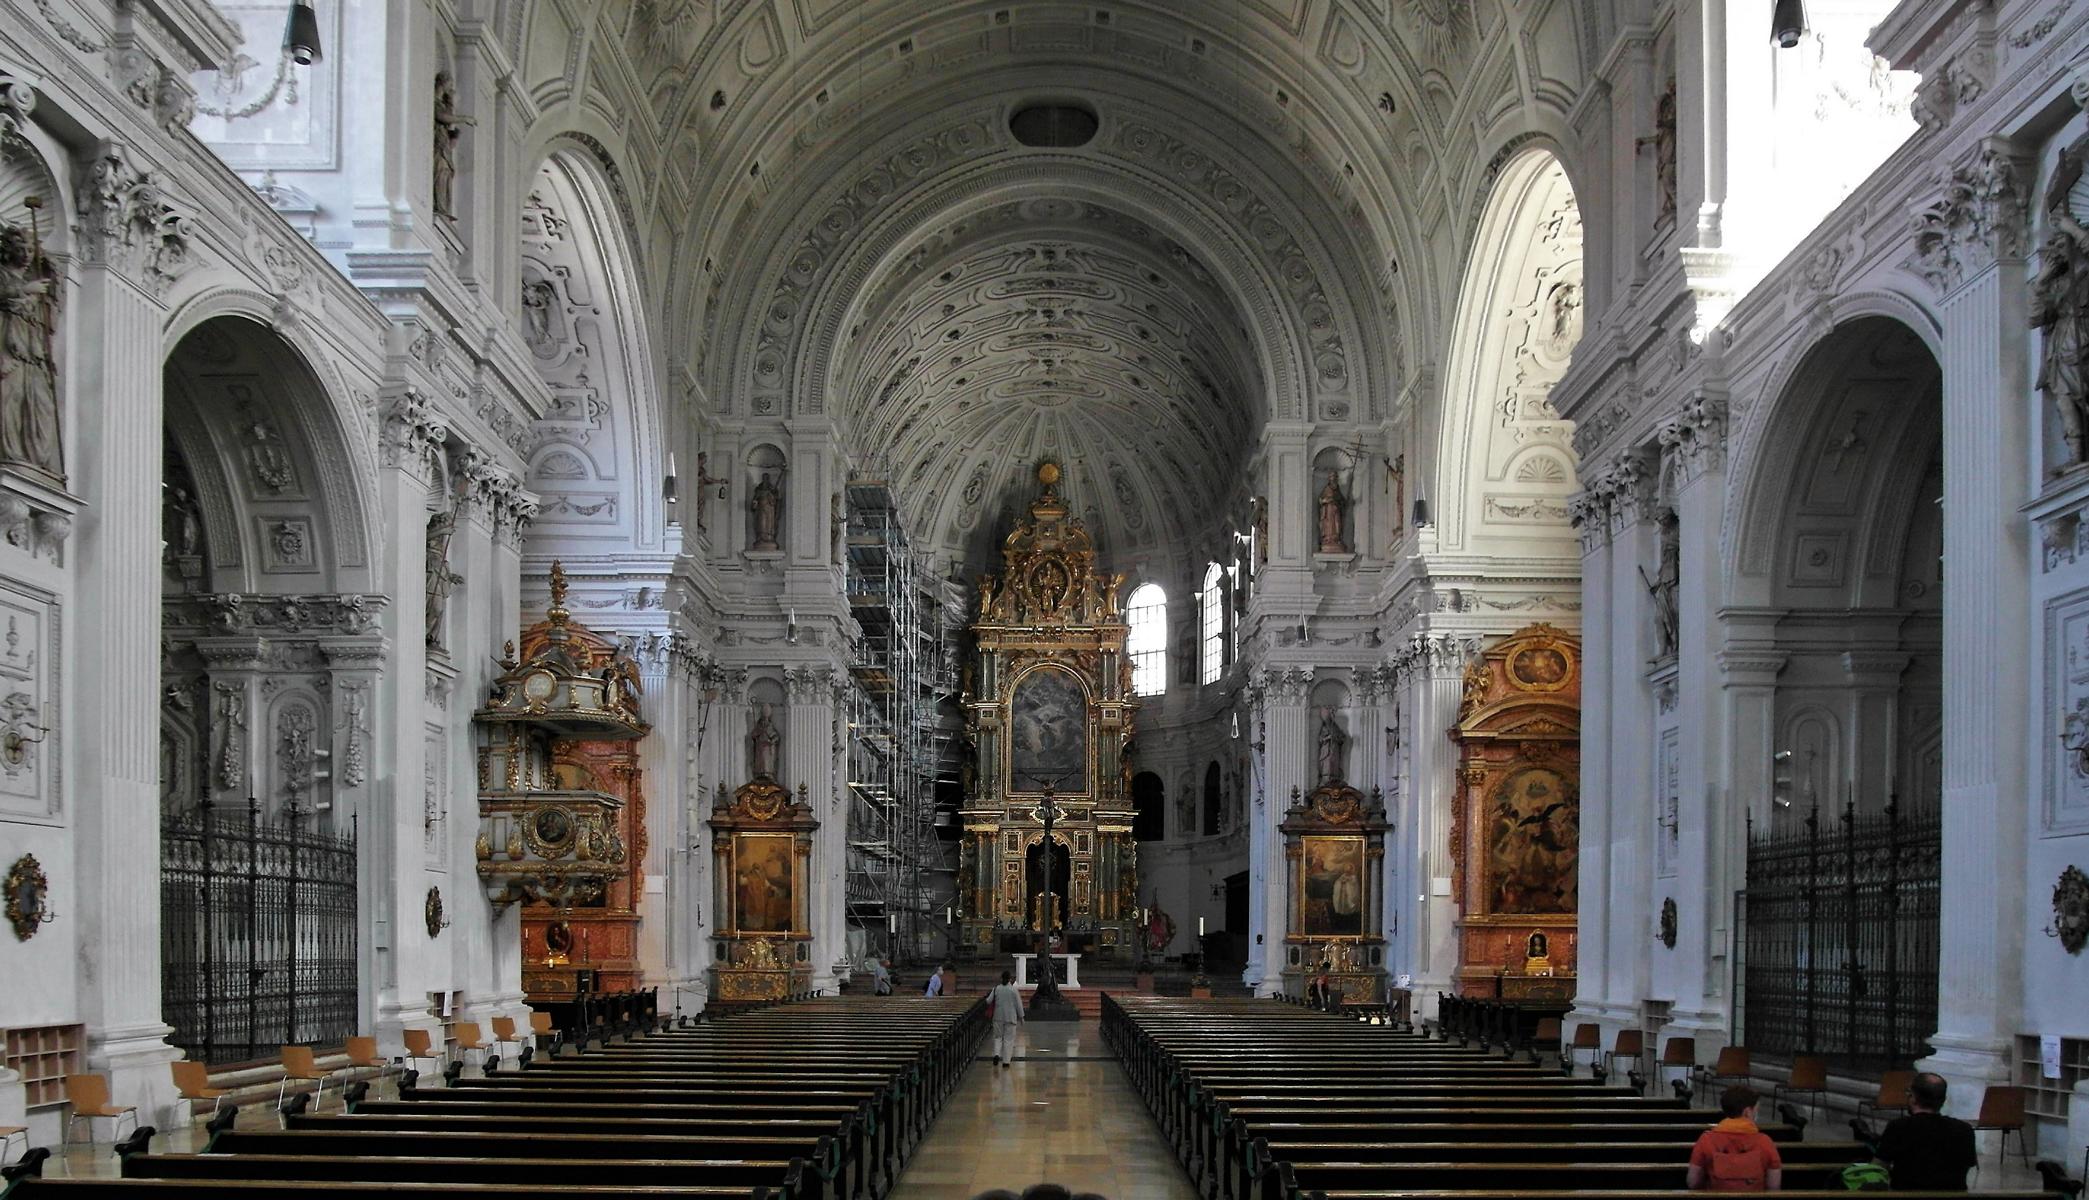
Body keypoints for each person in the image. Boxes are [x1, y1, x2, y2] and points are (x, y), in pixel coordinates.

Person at [1874, 1072, 1977, 1191]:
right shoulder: (1964, 1130)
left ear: (1913, 1098)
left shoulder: (1898, 1127)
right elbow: (1967, 1165)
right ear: (1943, 1101)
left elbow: (1878, 1167)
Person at [1686, 1085, 1783, 1192]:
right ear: (1747, 1112)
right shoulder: (1765, 1142)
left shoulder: (1706, 1140)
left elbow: (1693, 1182)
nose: (1756, 1114)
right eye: (1756, 1110)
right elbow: (1774, 1186)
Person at [988, 969, 1024, 1068]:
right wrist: (1021, 1017)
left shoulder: (996, 989)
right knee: (1009, 1039)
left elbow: (988, 1001)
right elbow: (1018, 1004)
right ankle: (1006, 1061)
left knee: (998, 1037)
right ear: (1010, 979)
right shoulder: (1013, 990)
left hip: (998, 1017)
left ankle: (996, 1054)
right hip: (1011, 1018)